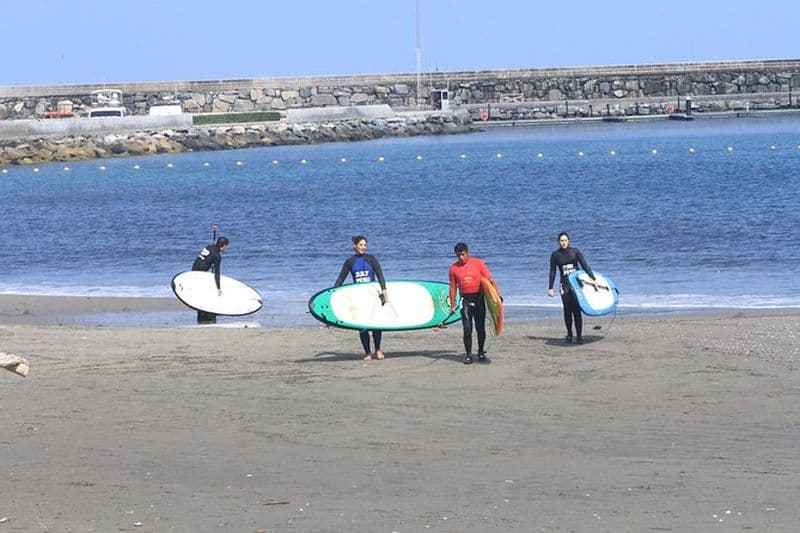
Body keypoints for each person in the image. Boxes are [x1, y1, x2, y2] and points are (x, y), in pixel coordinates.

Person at [334, 236, 388, 361]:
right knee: (362, 326)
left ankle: (378, 349)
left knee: (376, 324)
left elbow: (380, 274)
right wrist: (333, 292)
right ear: (355, 245)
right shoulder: (350, 261)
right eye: (361, 245)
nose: (364, 247)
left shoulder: (371, 259)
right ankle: (367, 352)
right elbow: (341, 278)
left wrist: (384, 289)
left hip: (373, 296)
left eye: (365, 245)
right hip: (358, 297)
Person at [448, 242, 497, 365]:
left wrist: (497, 296)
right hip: (465, 301)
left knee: (480, 328)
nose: (461, 257)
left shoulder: (478, 264)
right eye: (458, 255)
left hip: (479, 299)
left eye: (463, 254)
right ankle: (468, 355)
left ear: (468, 252)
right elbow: (453, 287)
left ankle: (480, 352)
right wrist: (452, 305)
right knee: (467, 328)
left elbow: (490, 280)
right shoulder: (453, 268)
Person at [547, 232, 596, 344]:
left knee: (577, 310)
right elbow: (552, 272)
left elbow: (585, 266)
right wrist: (550, 288)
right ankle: (569, 334)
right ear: (558, 242)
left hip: (577, 285)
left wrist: (593, 278)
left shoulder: (575, 252)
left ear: (569, 241)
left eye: (565, 240)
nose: (563, 243)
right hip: (564, 285)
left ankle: (579, 336)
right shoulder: (555, 255)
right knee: (567, 310)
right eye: (561, 241)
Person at [191, 236, 229, 324]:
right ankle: (208, 316)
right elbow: (217, 273)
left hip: (193, 271)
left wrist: (209, 263)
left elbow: (202, 259)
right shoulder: (217, 256)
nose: (226, 248)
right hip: (200, 275)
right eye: (226, 246)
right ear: (223, 246)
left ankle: (202, 316)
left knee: (201, 295)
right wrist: (218, 288)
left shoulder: (209, 247)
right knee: (208, 294)